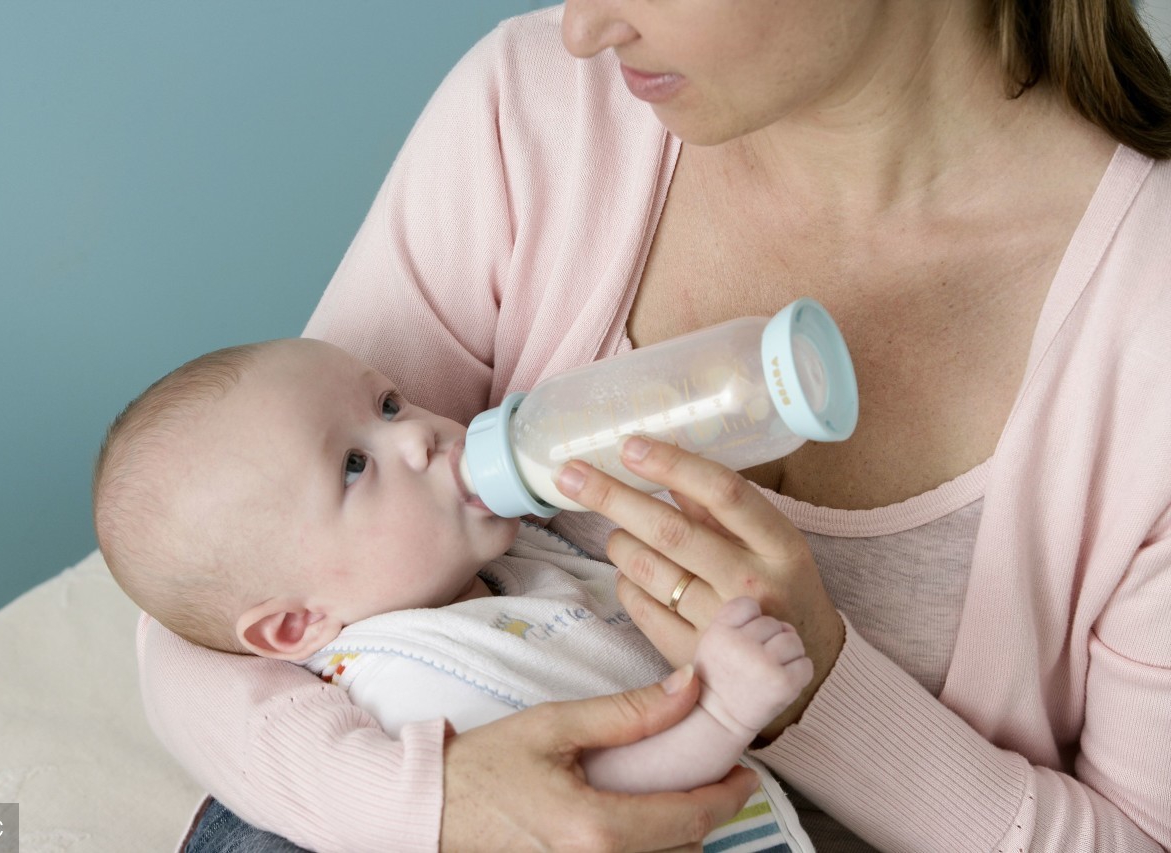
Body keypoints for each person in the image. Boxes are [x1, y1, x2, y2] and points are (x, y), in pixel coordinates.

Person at [131, 1, 1171, 851]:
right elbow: (212, 591)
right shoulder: (535, 112)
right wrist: (422, 805)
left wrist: (815, 693)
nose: (584, 28)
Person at [92, 337, 814, 844]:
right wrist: (722, 709)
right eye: (352, 465)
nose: (417, 438)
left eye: (388, 404)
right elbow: (589, 796)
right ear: (296, 624)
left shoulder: (497, 569)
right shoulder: (408, 682)